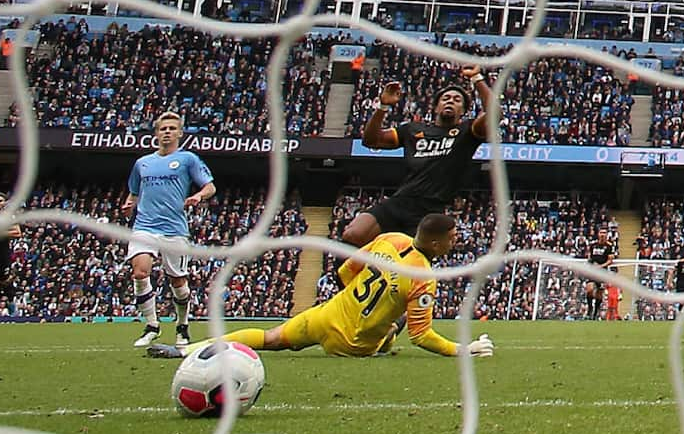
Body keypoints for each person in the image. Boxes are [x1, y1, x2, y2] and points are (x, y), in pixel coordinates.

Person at [147, 214, 495, 359]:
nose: (454, 242)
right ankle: (388, 331)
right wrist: (463, 349)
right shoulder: (424, 279)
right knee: (392, 328)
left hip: (326, 314)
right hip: (353, 344)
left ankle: (186, 352)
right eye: (451, 238)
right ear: (435, 244)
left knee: (271, 339)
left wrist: (358, 298)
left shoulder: (388, 238)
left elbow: (346, 271)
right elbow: (423, 337)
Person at [341, 65, 491, 247]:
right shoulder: (413, 129)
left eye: (457, 100)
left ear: (464, 111)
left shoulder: (468, 131)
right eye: (446, 98)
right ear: (436, 107)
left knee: (410, 260)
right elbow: (371, 140)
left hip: (430, 210)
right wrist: (382, 107)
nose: (451, 101)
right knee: (353, 234)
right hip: (401, 199)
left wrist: (476, 78)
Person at [121, 111, 216, 348]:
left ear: (180, 133)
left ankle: (182, 326)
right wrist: (129, 203)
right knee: (140, 272)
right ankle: (152, 325)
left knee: (178, 283)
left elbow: (210, 186)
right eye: (163, 129)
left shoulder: (188, 159)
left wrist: (197, 196)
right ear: (156, 133)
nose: (167, 132)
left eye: (172, 128)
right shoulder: (142, 163)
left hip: (174, 229)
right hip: (144, 226)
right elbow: (134, 191)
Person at [585, 227, 617, 320]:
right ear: (598, 234)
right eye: (601, 233)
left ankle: (595, 312)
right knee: (589, 289)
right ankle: (590, 308)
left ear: (607, 235)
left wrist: (601, 266)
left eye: (604, 233)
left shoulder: (609, 246)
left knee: (599, 292)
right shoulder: (593, 245)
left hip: (602, 272)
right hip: (592, 271)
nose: (602, 235)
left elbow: (610, 260)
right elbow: (589, 257)